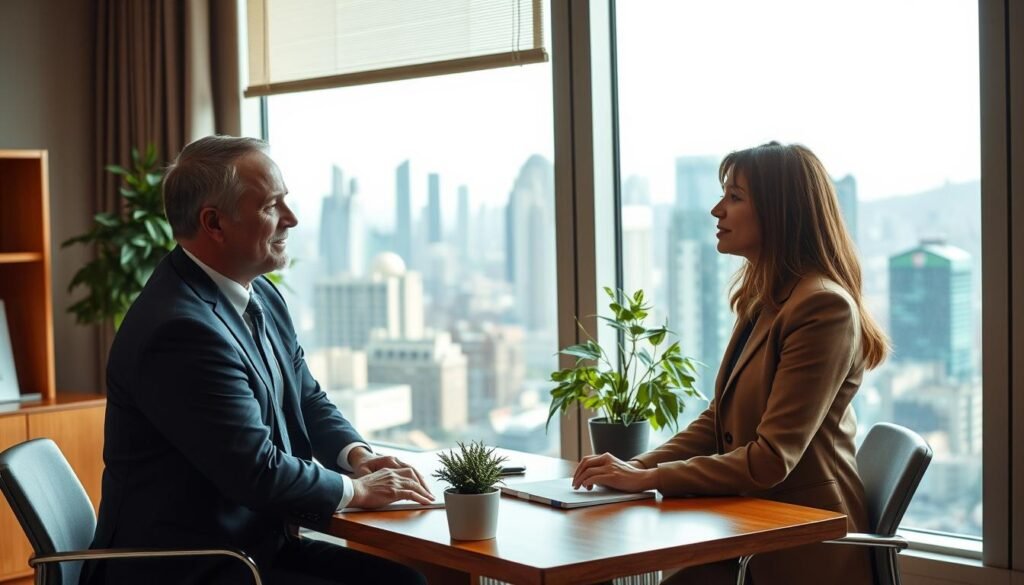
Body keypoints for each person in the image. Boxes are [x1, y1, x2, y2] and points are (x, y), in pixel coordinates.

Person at [82, 136, 435, 585]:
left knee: (404, 579)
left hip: (251, 545)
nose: (292, 218)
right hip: (188, 565)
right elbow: (256, 469)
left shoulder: (260, 292)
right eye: (271, 206)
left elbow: (305, 395)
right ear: (215, 224)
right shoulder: (179, 330)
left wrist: (357, 457)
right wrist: (358, 492)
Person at [572, 141, 888, 585]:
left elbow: (769, 461)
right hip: (752, 530)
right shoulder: (767, 301)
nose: (717, 210)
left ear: (781, 212)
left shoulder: (822, 308)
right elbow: (715, 420)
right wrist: (636, 468)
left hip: (802, 547)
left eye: (735, 197)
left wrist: (645, 480)